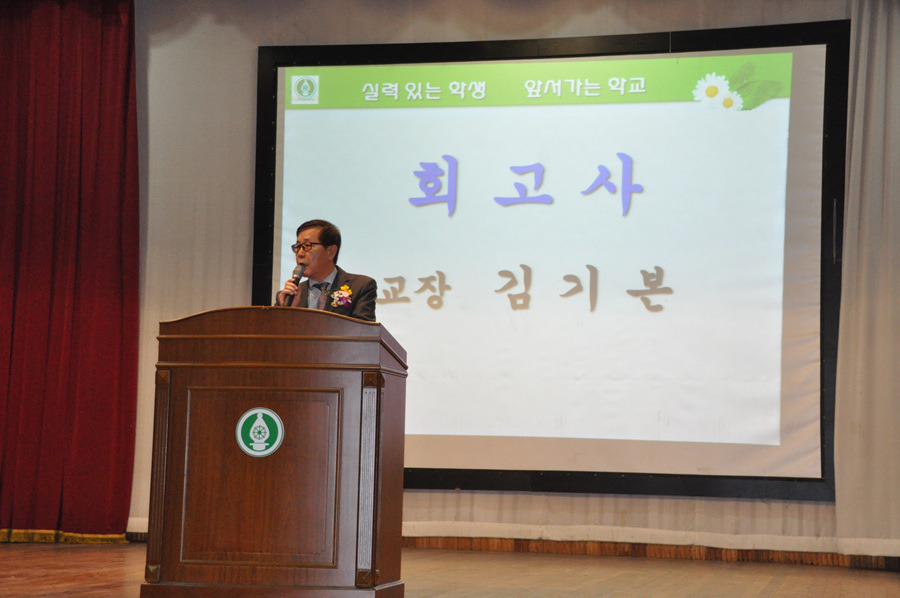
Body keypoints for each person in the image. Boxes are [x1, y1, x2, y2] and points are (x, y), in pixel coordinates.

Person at [275, 219, 377, 322]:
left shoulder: (360, 287)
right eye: (298, 247)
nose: (300, 254)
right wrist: (289, 311)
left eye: (307, 246)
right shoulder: (287, 297)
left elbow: (364, 330)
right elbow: (274, 330)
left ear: (331, 252)